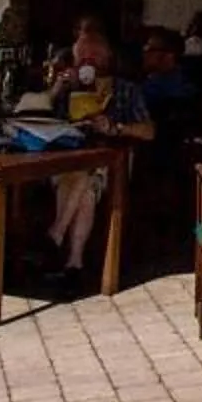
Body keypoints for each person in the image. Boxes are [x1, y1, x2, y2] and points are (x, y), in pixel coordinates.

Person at [48, 19, 151, 287]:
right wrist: (57, 89)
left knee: (86, 175)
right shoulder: (69, 88)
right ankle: (73, 263)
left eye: (94, 55)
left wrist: (115, 127)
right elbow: (42, 121)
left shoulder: (125, 89)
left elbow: (149, 131)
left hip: (111, 161)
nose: (88, 61)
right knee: (84, 183)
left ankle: (56, 240)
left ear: (108, 57)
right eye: (82, 56)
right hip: (69, 159)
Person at [136, 24, 200, 143]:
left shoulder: (164, 90)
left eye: (149, 49)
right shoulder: (152, 80)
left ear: (169, 56)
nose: (144, 53)